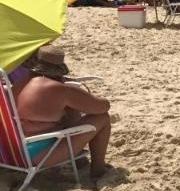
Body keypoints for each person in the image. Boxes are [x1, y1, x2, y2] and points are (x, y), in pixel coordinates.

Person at [15, 46, 113, 182]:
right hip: (41, 155)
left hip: (14, 150)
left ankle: (79, 161)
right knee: (102, 118)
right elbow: (102, 108)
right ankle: (98, 169)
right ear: (59, 70)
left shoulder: (19, 85)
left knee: (68, 110)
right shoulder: (61, 90)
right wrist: (81, 93)